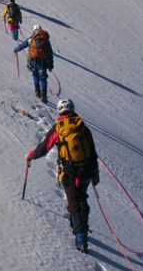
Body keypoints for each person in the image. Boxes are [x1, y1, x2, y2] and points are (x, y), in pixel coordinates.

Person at [24, 98, 99, 252]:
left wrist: (31, 155)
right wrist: (95, 173)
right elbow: (92, 152)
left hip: (69, 173)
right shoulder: (83, 127)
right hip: (85, 171)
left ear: (59, 111)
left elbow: (44, 147)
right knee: (81, 198)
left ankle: (81, 239)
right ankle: (80, 226)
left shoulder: (58, 129)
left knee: (73, 204)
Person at [13, 24, 54, 103]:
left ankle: (37, 92)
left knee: (35, 75)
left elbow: (23, 45)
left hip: (33, 61)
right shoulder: (45, 40)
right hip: (42, 62)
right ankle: (44, 97)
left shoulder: (31, 39)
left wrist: (16, 50)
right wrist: (50, 65)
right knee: (43, 78)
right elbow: (49, 53)